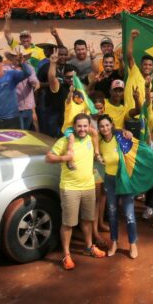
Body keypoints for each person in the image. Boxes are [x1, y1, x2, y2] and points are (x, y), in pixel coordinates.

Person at [46, 113, 104, 269]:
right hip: (70, 188)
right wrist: (65, 158)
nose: (82, 129)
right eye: (79, 126)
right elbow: (49, 157)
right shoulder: (64, 141)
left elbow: (99, 135)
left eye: (85, 126)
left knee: (87, 220)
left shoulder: (91, 138)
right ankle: (66, 255)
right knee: (68, 223)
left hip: (88, 186)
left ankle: (88, 247)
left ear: (89, 127)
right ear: (74, 126)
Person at [94, 114, 139, 258]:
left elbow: (134, 148)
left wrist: (129, 134)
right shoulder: (99, 141)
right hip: (110, 181)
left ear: (112, 125)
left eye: (107, 125)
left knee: (129, 214)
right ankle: (114, 242)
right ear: (99, 128)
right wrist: (97, 156)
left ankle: (132, 243)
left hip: (124, 180)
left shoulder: (120, 137)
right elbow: (94, 148)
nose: (105, 128)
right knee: (112, 214)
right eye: (101, 126)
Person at [36, 46, 73, 136]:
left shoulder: (69, 67)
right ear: (55, 54)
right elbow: (37, 84)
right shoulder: (46, 68)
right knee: (48, 135)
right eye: (60, 54)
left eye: (65, 55)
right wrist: (54, 83)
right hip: (49, 108)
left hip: (63, 109)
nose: (63, 57)